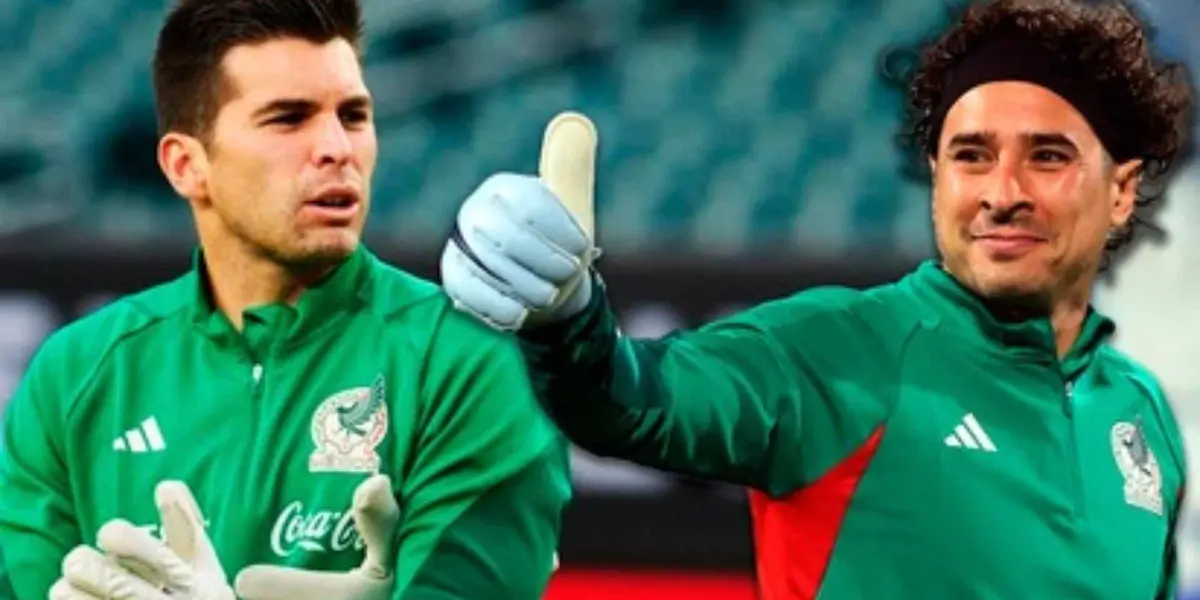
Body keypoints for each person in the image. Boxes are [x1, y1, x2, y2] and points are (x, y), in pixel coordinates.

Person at [439, 0, 1195, 597]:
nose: (1002, 193)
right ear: (938, 178)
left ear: (1122, 191)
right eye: (972, 156)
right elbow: (631, 399)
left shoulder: (1140, 414)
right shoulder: (839, 348)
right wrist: (568, 320)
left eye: (1048, 157)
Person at [0, 0, 571, 599]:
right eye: (288, 119)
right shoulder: (76, 373)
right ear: (185, 165)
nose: (337, 148)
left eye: (353, 116)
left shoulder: (473, 362)